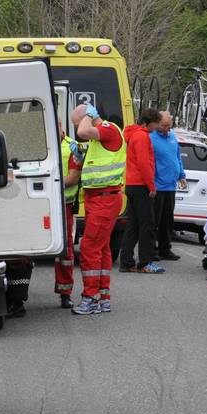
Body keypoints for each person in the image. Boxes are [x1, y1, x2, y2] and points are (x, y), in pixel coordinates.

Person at [71, 103, 126, 315]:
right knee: (101, 249)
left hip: (105, 199)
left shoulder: (108, 128)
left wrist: (86, 118)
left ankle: (91, 298)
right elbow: (96, 149)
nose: (79, 132)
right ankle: (102, 297)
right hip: (100, 199)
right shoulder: (100, 137)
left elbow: (84, 131)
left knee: (89, 249)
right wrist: (81, 153)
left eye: (78, 122)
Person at [119, 108, 164, 274]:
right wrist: (151, 186)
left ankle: (126, 261)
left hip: (131, 184)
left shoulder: (133, 134)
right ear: (149, 122)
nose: (157, 126)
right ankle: (145, 262)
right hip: (140, 185)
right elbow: (144, 163)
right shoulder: (142, 136)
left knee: (133, 225)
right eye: (156, 123)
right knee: (147, 225)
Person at [54, 122, 83, 309]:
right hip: (41, 204)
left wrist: (50, 184)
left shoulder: (73, 147)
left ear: (60, 127)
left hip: (63, 205)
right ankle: (17, 295)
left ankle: (65, 293)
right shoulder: (40, 143)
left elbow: (73, 178)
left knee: (65, 251)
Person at [150, 111, 186, 261]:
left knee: (167, 220)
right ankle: (152, 249)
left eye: (168, 126)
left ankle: (166, 248)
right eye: (164, 125)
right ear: (158, 123)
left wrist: (181, 175)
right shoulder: (151, 138)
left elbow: (177, 157)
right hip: (158, 186)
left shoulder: (172, 137)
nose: (167, 129)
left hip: (171, 186)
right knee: (154, 220)